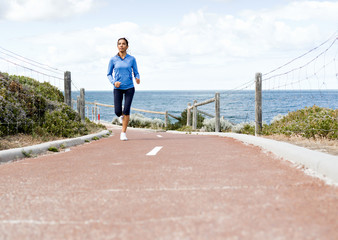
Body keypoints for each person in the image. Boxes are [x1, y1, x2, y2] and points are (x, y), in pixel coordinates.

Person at [107, 38, 140, 141]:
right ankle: (122, 116)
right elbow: (108, 74)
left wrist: (137, 78)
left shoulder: (132, 59)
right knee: (118, 111)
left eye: (123, 44)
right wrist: (114, 82)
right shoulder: (113, 59)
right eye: (119, 44)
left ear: (127, 46)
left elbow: (136, 72)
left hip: (129, 87)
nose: (121, 45)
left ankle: (123, 133)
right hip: (118, 88)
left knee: (126, 110)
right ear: (117, 46)